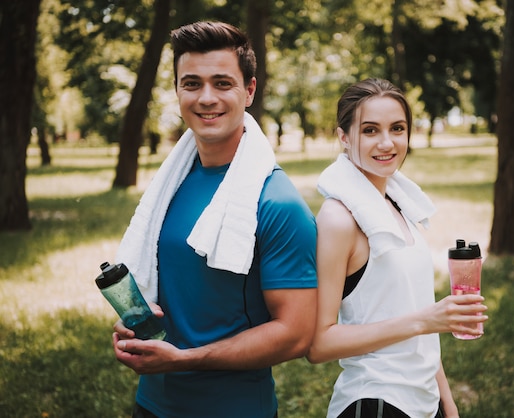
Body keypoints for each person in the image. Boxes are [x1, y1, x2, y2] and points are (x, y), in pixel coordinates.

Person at [111, 21, 317, 418]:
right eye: (192, 84)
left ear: (250, 90)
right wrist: (134, 330)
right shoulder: (169, 187)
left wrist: (184, 360)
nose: (206, 98)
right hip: (151, 405)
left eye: (223, 83)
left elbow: (296, 335)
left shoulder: (277, 203)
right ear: (177, 91)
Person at [307, 78, 488, 418]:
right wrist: (426, 320)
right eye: (370, 130)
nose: (387, 143)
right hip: (376, 401)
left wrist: (447, 404)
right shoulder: (339, 218)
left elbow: (419, 320)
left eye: (398, 128)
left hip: (423, 400)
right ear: (344, 138)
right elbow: (319, 344)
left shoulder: (399, 205)